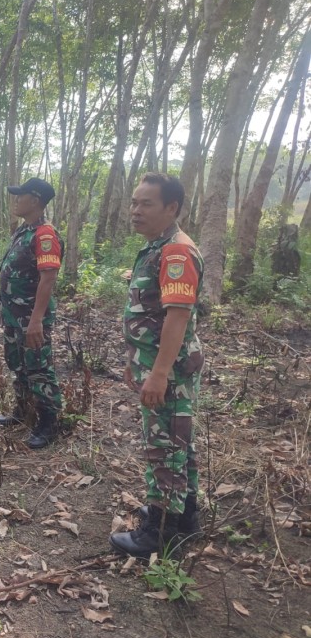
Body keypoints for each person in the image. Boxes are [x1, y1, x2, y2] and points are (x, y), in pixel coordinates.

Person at [110, 173, 204, 558]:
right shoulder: (157, 246)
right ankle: (186, 518)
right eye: (134, 202)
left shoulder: (176, 252)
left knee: (163, 447)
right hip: (156, 364)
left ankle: (160, 533)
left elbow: (177, 317)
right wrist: (139, 362)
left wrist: (161, 373)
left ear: (172, 208)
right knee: (179, 441)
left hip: (171, 370)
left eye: (146, 204)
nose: (135, 210)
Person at [0, 177, 64, 449]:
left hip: (31, 318)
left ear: (35, 200)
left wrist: (36, 320)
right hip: (13, 314)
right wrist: (2, 305)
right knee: (17, 363)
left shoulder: (45, 234)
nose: (16, 200)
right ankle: (23, 411)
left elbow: (48, 278)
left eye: (20, 195)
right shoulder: (25, 231)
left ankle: (48, 422)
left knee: (39, 368)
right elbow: (16, 272)